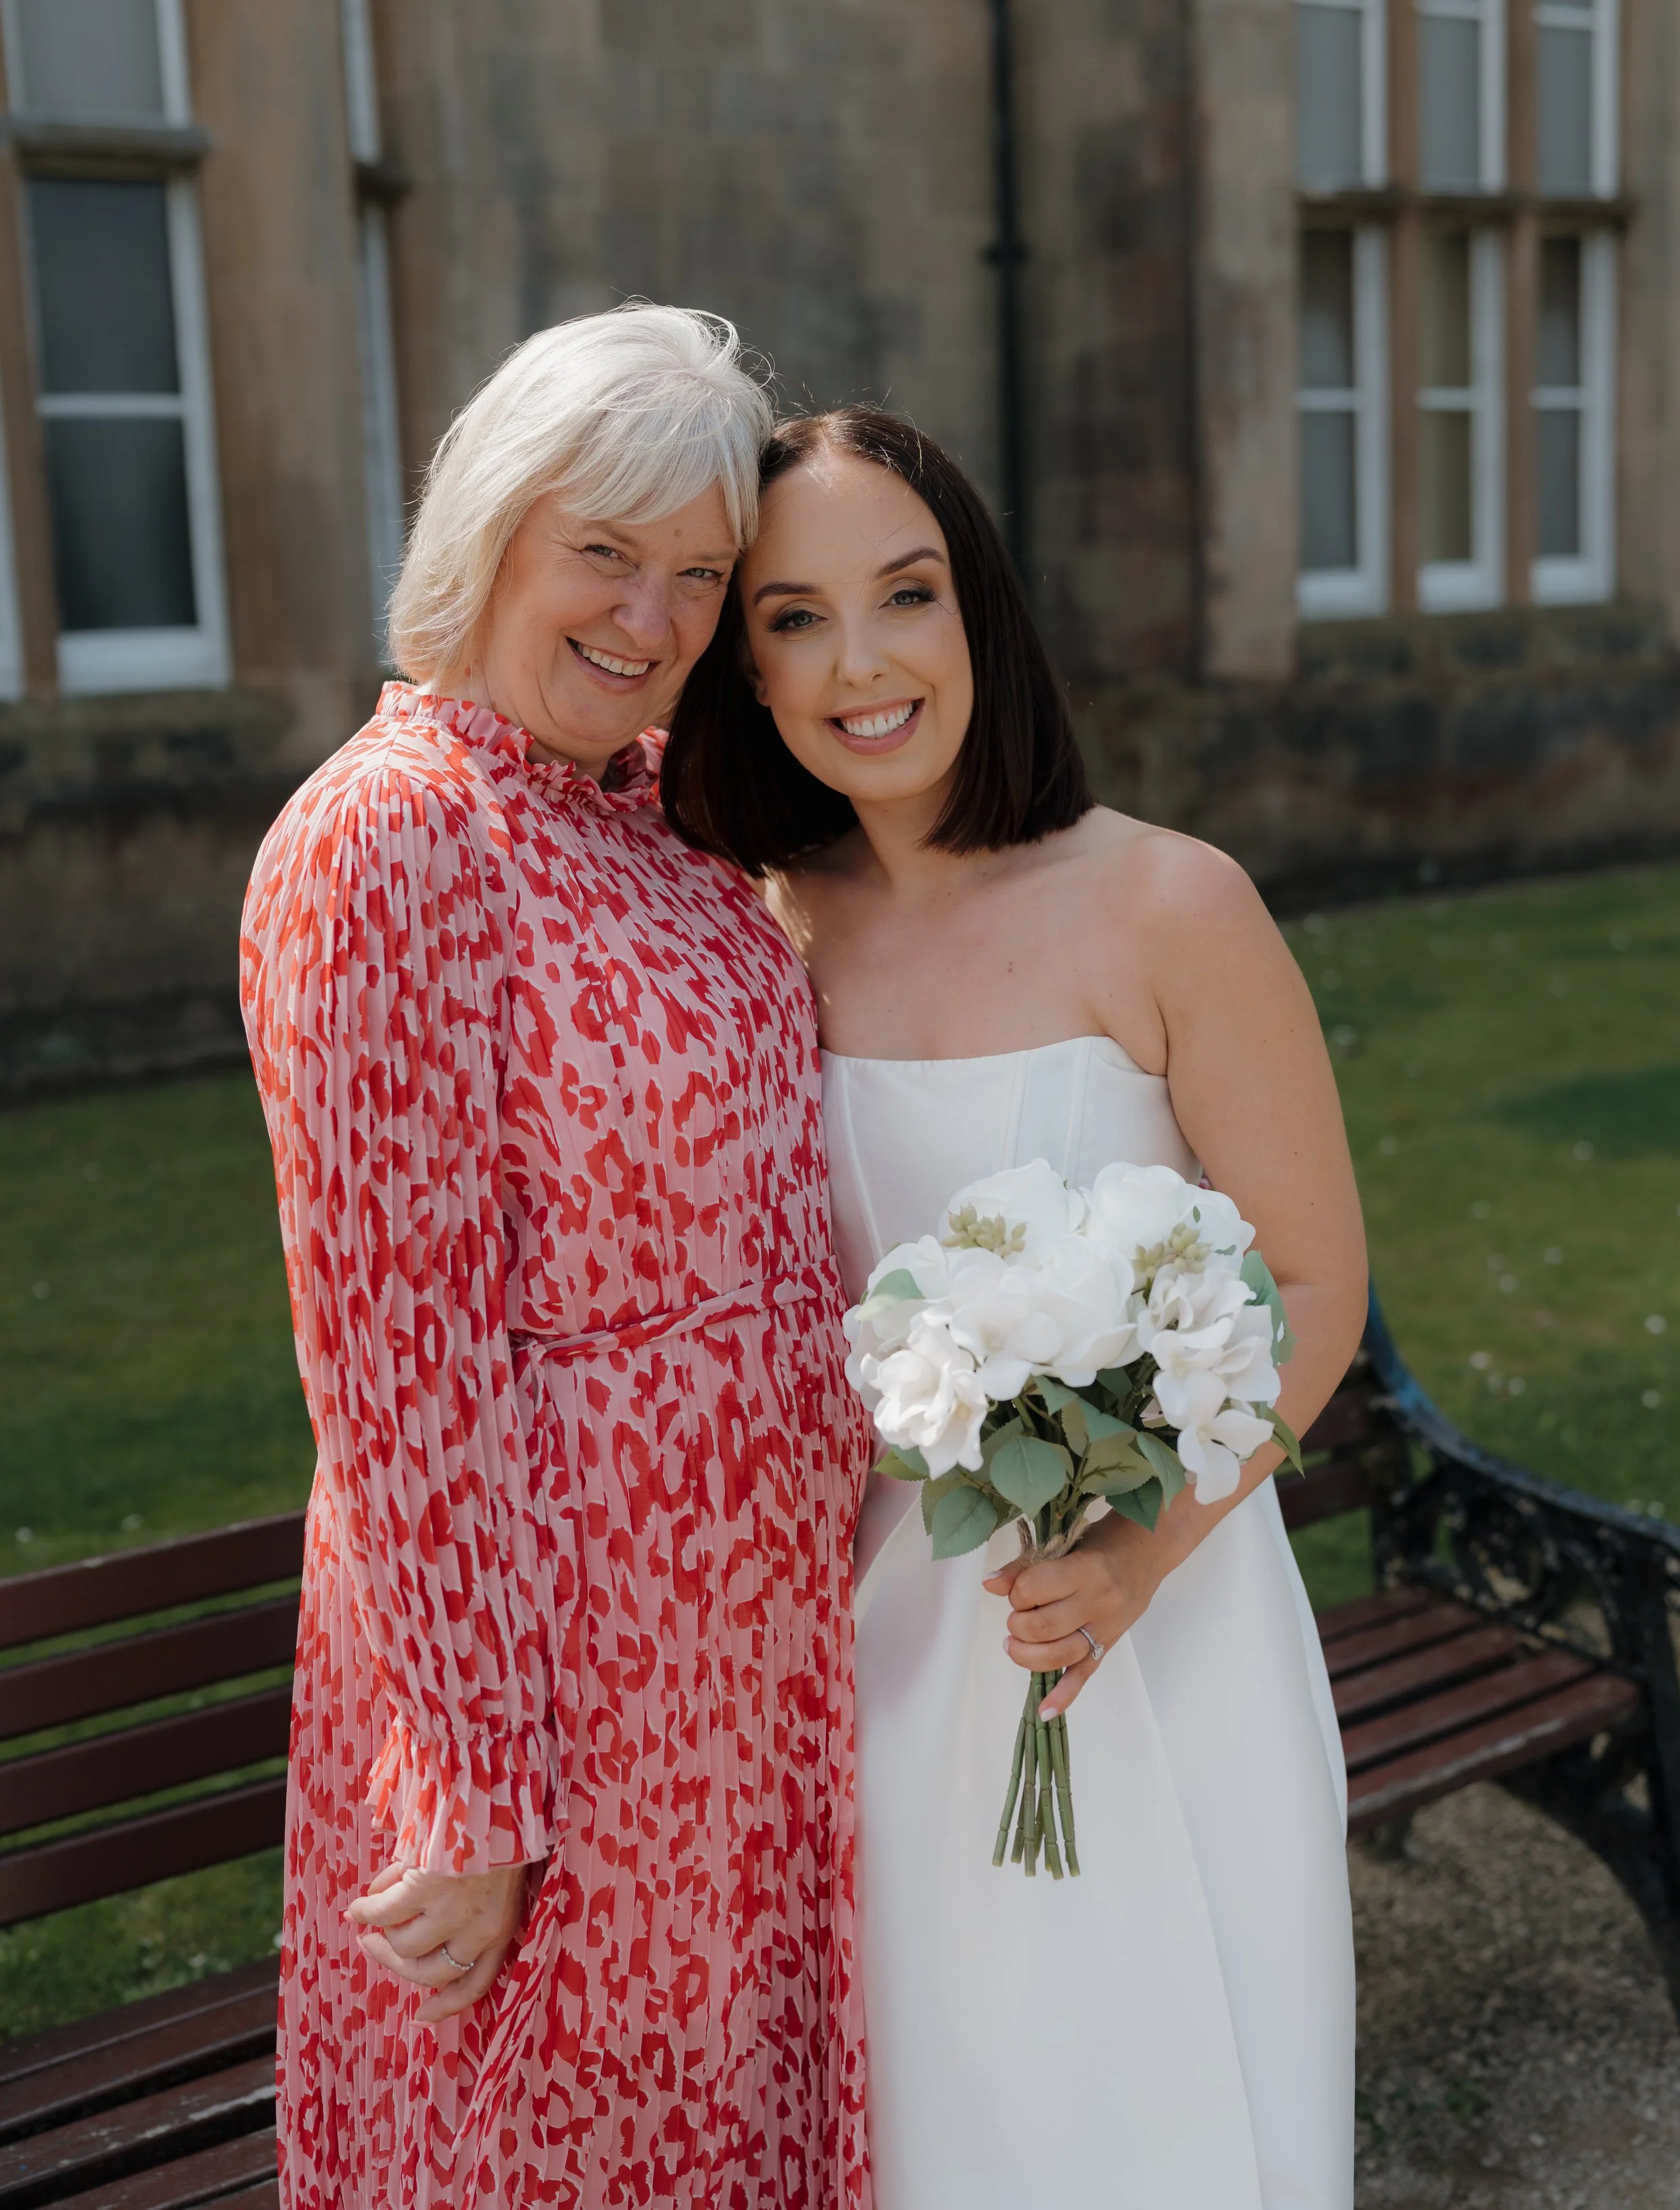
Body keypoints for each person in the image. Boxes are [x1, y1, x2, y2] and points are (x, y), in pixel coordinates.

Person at [662, 405, 1365, 2210]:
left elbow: (1310, 1278)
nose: (863, 660)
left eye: (905, 593)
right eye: (794, 618)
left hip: (1172, 1612)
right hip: (890, 1639)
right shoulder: (758, 930)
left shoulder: (1166, 900)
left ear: (980, 612)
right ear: (744, 671)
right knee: (958, 2129)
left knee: (1190, 2109)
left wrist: (1129, 1553)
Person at [240, 312, 870, 2210]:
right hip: (560, 1683)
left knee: (723, 2131)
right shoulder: (389, 837)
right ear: (490, 523)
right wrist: (473, 1787)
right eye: (603, 548)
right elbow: (394, 1371)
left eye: (698, 574)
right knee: (542, 2151)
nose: (652, 614)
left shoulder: (637, 808)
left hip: (740, 1662)